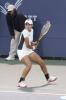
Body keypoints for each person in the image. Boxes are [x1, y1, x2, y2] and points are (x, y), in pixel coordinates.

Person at [17, 19, 57, 88]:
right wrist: (33, 47)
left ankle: (48, 78)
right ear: (25, 25)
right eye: (26, 24)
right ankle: (20, 82)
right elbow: (27, 45)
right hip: (21, 51)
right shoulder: (24, 32)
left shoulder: (32, 30)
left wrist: (34, 43)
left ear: (32, 25)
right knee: (29, 65)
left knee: (41, 62)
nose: (28, 26)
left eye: (29, 24)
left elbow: (30, 43)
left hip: (28, 50)